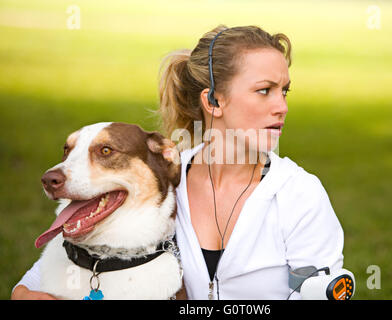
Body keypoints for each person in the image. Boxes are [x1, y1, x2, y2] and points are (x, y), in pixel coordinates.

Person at [11, 25, 344, 300]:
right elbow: (31, 286)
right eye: (264, 90)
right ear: (213, 101)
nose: (281, 107)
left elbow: (323, 292)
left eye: (284, 91)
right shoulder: (157, 180)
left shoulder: (299, 193)